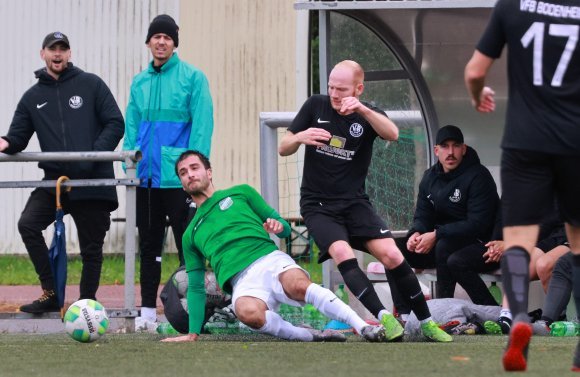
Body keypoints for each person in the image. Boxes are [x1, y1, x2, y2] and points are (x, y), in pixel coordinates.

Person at [278, 60, 452, 342]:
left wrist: (361, 109)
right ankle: (385, 319)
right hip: (318, 206)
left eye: (342, 89)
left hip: (355, 203)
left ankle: (427, 322)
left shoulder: (365, 114)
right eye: (331, 87)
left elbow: (392, 134)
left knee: (393, 255)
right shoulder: (315, 106)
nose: (334, 94)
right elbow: (283, 147)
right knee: (343, 255)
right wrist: (300, 136)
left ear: (358, 89)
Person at [161, 150, 388, 343]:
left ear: (208, 173)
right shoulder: (190, 234)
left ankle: (362, 326)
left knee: (297, 284)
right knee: (246, 313)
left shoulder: (241, 192)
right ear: (182, 184)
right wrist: (192, 333)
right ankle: (311, 335)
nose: (190, 174)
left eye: (194, 168)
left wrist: (278, 226)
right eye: (183, 173)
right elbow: (197, 287)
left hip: (269, 260)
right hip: (240, 282)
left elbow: (286, 229)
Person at [465, 0, 580, 371]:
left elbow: (474, 70)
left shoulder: (512, 6)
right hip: (574, 141)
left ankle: (517, 320)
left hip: (525, 142)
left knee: (517, 241)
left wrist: (477, 93)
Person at [0, 31, 124, 313]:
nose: (58, 54)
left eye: (63, 49)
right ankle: (51, 294)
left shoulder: (91, 84)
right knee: (28, 224)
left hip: (93, 181)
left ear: (69, 53)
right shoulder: (33, 97)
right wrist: (4, 143)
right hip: (56, 182)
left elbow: (115, 123)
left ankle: (85, 306)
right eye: (52, 49)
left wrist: (91, 157)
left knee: (91, 249)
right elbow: (16, 137)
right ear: (42, 53)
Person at [122, 14, 214, 328]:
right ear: (148, 42)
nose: (161, 42)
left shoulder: (193, 78)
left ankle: (194, 313)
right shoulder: (139, 82)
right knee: (148, 248)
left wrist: (197, 172)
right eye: (156, 36)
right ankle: (147, 314)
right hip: (147, 180)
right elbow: (131, 129)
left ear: (175, 43)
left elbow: (202, 127)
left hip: (180, 182)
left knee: (190, 248)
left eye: (167, 37)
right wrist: (129, 165)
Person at [392, 124, 499, 312]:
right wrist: (415, 233)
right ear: (436, 151)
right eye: (444, 146)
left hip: (479, 243)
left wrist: (437, 234)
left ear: (463, 149)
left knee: (445, 246)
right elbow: (423, 215)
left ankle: (444, 312)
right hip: (442, 241)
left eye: (455, 146)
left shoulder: (478, 176)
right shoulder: (429, 177)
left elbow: (478, 224)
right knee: (392, 250)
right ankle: (404, 315)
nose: (450, 152)